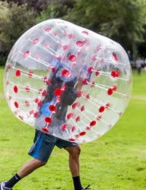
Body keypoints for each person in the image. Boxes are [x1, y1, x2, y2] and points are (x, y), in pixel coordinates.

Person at [1, 62, 90, 190]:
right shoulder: (63, 74)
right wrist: (81, 83)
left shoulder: (66, 70)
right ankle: (7, 185)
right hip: (49, 119)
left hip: (59, 120)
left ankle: (78, 188)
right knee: (41, 160)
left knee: (75, 150)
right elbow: (68, 99)